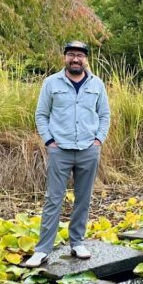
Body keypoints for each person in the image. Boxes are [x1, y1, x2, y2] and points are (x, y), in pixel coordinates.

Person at [25, 41, 111, 267]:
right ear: (65, 57)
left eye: (80, 56)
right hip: (60, 150)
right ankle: (42, 249)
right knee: (53, 199)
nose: (75, 59)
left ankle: (77, 242)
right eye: (71, 55)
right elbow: (41, 115)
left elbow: (104, 115)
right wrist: (49, 142)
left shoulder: (97, 84)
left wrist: (98, 140)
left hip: (88, 150)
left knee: (83, 197)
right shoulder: (51, 83)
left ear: (86, 59)